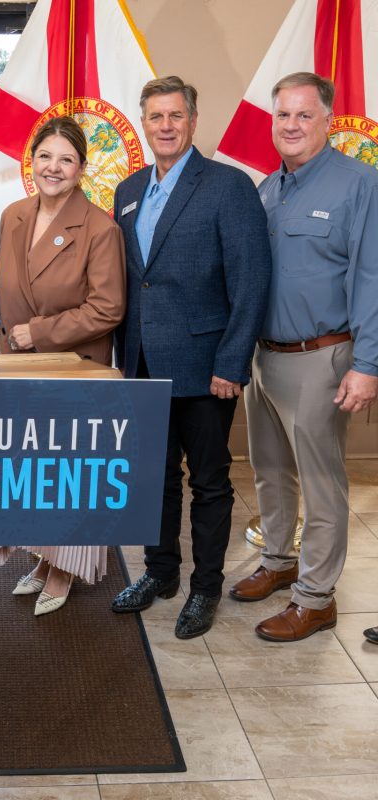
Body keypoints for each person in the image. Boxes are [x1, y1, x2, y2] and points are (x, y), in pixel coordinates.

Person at [111, 76, 271, 639]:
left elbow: (251, 283)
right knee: (154, 477)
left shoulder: (228, 187)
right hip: (144, 363)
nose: (166, 126)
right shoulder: (128, 190)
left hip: (207, 366)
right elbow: (133, 284)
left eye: (175, 116)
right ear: (144, 123)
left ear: (193, 121)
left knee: (209, 482)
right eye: (155, 117)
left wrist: (232, 363)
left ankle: (204, 587)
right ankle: (160, 574)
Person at [229, 73, 378, 642]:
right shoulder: (269, 189)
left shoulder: (359, 185)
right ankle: (278, 561)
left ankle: (315, 598)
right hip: (264, 358)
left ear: (328, 121)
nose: (290, 126)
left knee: (321, 484)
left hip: (324, 357)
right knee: (269, 473)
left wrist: (367, 364)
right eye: (282, 116)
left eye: (303, 115)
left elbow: (371, 279)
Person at [0, 115, 126, 615]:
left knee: (67, 475)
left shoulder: (100, 228)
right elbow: (6, 286)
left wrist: (38, 333)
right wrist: (6, 337)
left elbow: (107, 309)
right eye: (45, 156)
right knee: (34, 472)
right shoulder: (15, 215)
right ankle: (45, 561)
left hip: (74, 370)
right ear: (31, 161)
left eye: (65, 159)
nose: (53, 167)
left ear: (81, 169)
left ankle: (65, 571)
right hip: (18, 369)